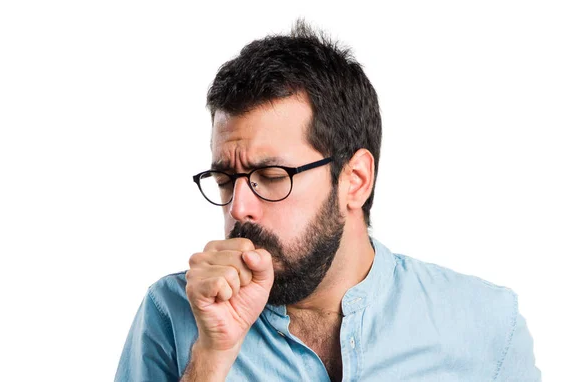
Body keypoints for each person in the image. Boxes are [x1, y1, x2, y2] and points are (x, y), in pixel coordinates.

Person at [115, 20, 541, 381]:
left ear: (355, 181)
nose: (238, 207)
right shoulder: (172, 314)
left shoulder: (487, 326)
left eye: (271, 176)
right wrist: (210, 358)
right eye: (226, 180)